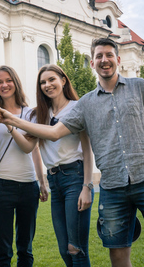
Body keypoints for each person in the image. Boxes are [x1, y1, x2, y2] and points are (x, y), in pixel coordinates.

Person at [0, 38, 144, 267]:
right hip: (112, 185)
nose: (104, 60)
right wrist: (11, 120)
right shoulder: (85, 104)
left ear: (117, 59)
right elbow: (53, 133)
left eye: (109, 55)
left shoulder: (140, 86)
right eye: (99, 56)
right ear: (92, 63)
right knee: (116, 255)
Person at [0, 66, 48, 266]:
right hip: (1, 187)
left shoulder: (32, 114)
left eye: (8, 80)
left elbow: (30, 149)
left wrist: (42, 182)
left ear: (16, 83)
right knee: (3, 250)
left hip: (28, 186)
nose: (4, 85)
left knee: (25, 249)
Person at [29, 64, 94, 266]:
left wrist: (87, 186)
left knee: (76, 248)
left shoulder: (77, 107)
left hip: (74, 177)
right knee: (64, 249)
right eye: (42, 82)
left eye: (51, 80)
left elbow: (86, 149)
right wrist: (42, 181)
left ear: (63, 81)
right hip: (54, 181)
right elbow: (35, 149)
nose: (47, 85)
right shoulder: (41, 113)